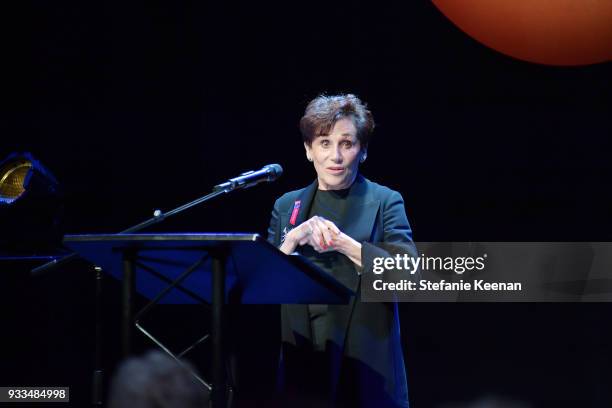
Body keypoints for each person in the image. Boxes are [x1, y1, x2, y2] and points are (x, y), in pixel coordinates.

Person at [267, 94, 415, 407]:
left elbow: (406, 274)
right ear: (308, 150)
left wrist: (344, 244)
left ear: (362, 152)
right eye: (324, 142)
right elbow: (264, 283)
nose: (335, 155)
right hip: (304, 362)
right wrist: (293, 238)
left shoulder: (386, 200)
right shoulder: (286, 207)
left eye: (347, 143)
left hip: (368, 366)